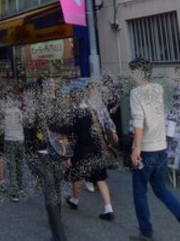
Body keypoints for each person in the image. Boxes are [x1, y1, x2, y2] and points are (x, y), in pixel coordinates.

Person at [128, 57, 180, 241]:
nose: (130, 76)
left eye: (132, 72)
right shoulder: (158, 89)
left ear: (138, 73)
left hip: (145, 150)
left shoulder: (136, 93)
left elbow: (138, 122)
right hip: (161, 148)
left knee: (139, 191)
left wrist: (136, 148)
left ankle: (145, 232)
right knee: (161, 190)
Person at [24, 78, 71, 241]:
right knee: (56, 190)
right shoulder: (61, 104)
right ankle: (57, 225)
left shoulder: (35, 105)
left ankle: (59, 236)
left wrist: (29, 154)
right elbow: (69, 127)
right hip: (59, 152)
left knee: (50, 194)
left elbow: (28, 130)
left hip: (43, 153)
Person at [65, 87, 115, 222]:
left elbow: (75, 139)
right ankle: (108, 208)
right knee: (101, 179)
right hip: (96, 149)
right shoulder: (91, 112)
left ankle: (74, 200)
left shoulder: (74, 115)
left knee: (78, 177)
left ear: (72, 100)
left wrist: (71, 157)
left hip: (82, 151)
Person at [2, 89, 26, 202]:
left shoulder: (5, 112)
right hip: (20, 140)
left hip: (9, 140)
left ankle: (15, 192)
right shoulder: (19, 111)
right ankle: (20, 188)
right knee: (19, 164)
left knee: (12, 166)